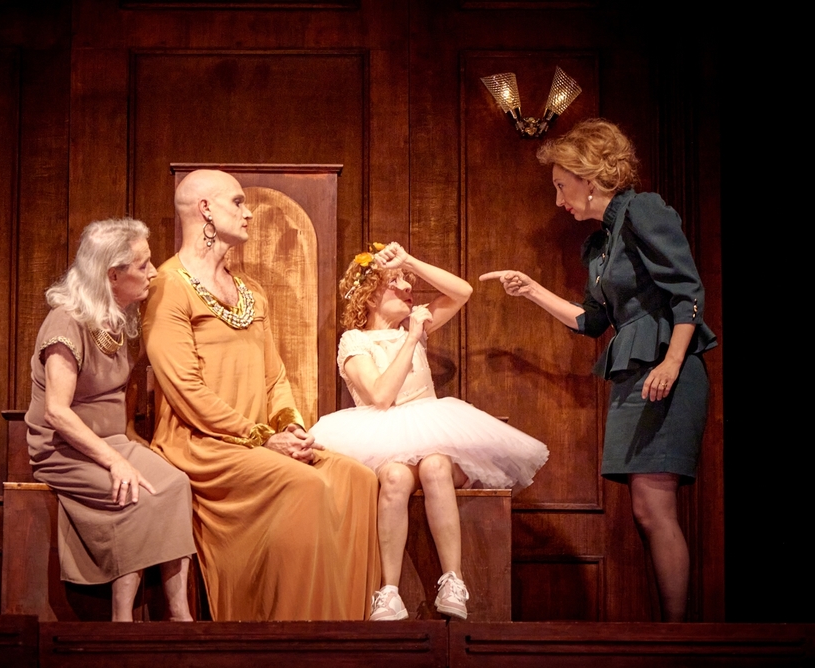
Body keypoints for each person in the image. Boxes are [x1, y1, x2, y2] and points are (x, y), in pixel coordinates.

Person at [480, 118, 717, 622]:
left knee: (655, 506)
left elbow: (688, 293)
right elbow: (592, 321)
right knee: (645, 509)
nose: (558, 200)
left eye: (561, 186)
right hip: (636, 375)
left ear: (589, 177)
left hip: (667, 370)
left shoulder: (643, 211)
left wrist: (672, 362)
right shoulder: (601, 244)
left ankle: (678, 637)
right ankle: (670, 630)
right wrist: (531, 289)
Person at [143, 169, 380, 621]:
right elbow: (185, 390)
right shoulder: (168, 286)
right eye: (237, 202)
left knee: (358, 479)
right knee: (305, 485)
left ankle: (345, 629)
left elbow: (276, 378)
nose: (248, 212)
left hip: (260, 442)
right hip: (201, 445)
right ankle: (290, 636)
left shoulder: (250, 291)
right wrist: (262, 437)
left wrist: (290, 427)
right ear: (205, 209)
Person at [309, 242, 548, 621]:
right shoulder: (356, 341)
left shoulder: (415, 324)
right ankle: (389, 591)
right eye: (396, 282)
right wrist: (410, 338)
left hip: (432, 432)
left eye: (407, 280)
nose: (408, 287)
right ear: (370, 297)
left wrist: (408, 261)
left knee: (436, 465)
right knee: (394, 477)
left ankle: (453, 581)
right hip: (382, 437)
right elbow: (381, 397)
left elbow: (462, 291)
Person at [24, 218, 196, 622]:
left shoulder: (114, 319)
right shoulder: (66, 323)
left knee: (176, 485)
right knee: (134, 494)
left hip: (111, 442)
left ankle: (179, 614)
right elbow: (57, 412)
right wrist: (116, 461)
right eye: (142, 265)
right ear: (112, 275)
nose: (153, 273)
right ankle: (122, 620)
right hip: (63, 449)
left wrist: (128, 444)